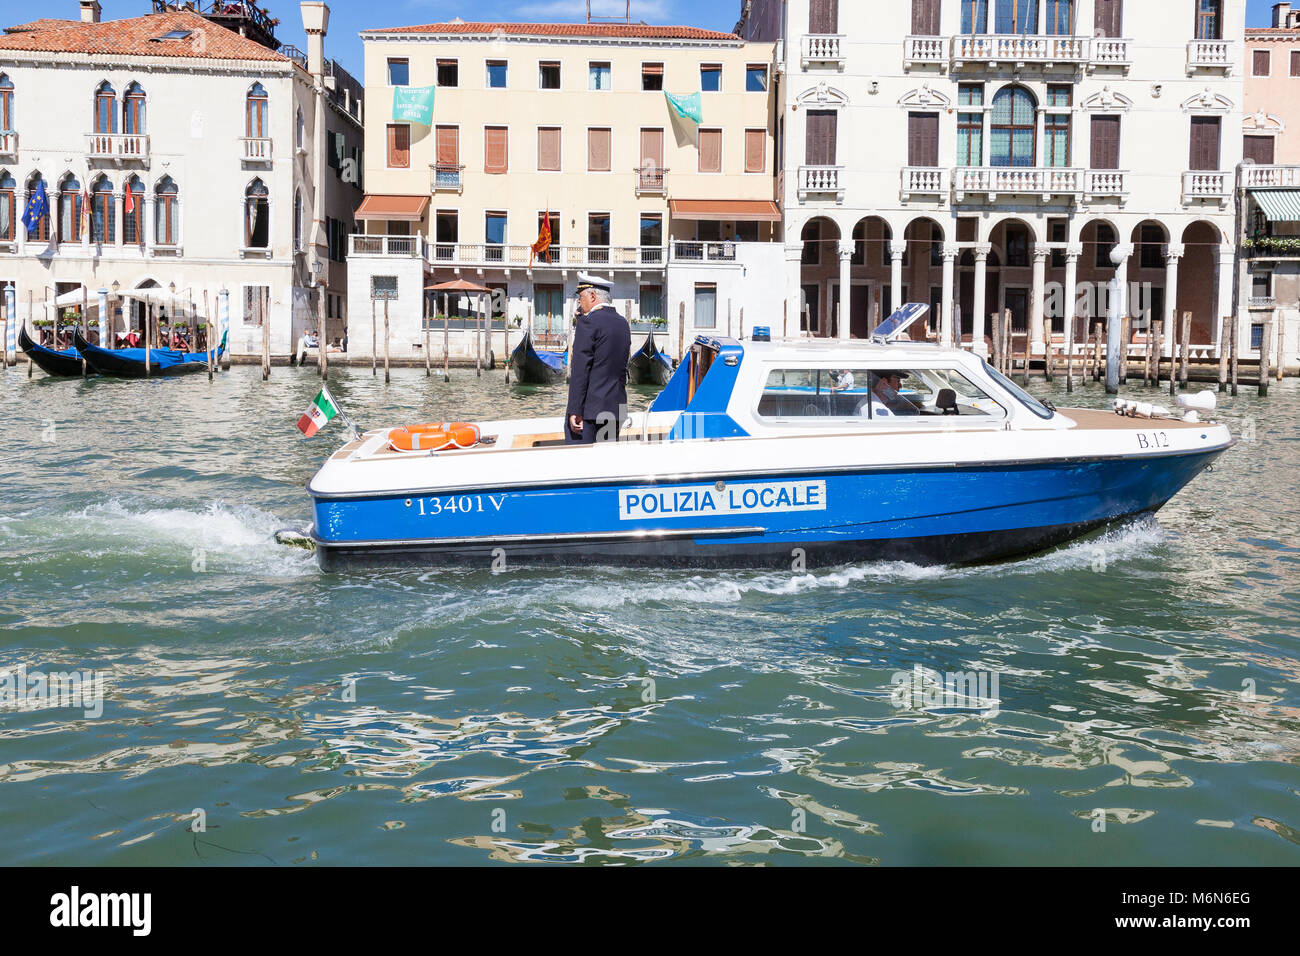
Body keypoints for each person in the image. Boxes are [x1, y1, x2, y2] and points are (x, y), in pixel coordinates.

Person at [566, 273, 631, 444]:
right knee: (607, 462)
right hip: (615, 408)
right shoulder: (623, 323)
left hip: (590, 412)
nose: (579, 302)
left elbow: (581, 370)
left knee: (582, 465)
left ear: (593, 296)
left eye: (581, 297)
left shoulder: (588, 322)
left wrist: (575, 409)